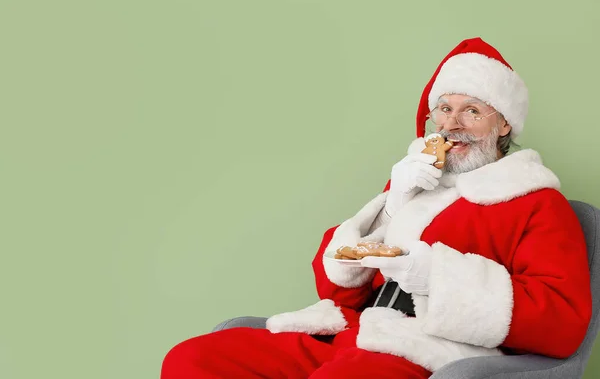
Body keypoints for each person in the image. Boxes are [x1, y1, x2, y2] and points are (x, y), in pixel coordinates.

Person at [160, 38, 592, 379]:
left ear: (503, 126)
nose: (451, 124)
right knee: (194, 360)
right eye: (444, 109)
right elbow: (337, 292)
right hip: (356, 332)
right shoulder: (415, 181)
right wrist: (391, 207)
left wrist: (435, 278)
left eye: (471, 111)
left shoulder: (537, 202)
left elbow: (563, 323)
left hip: (429, 350)